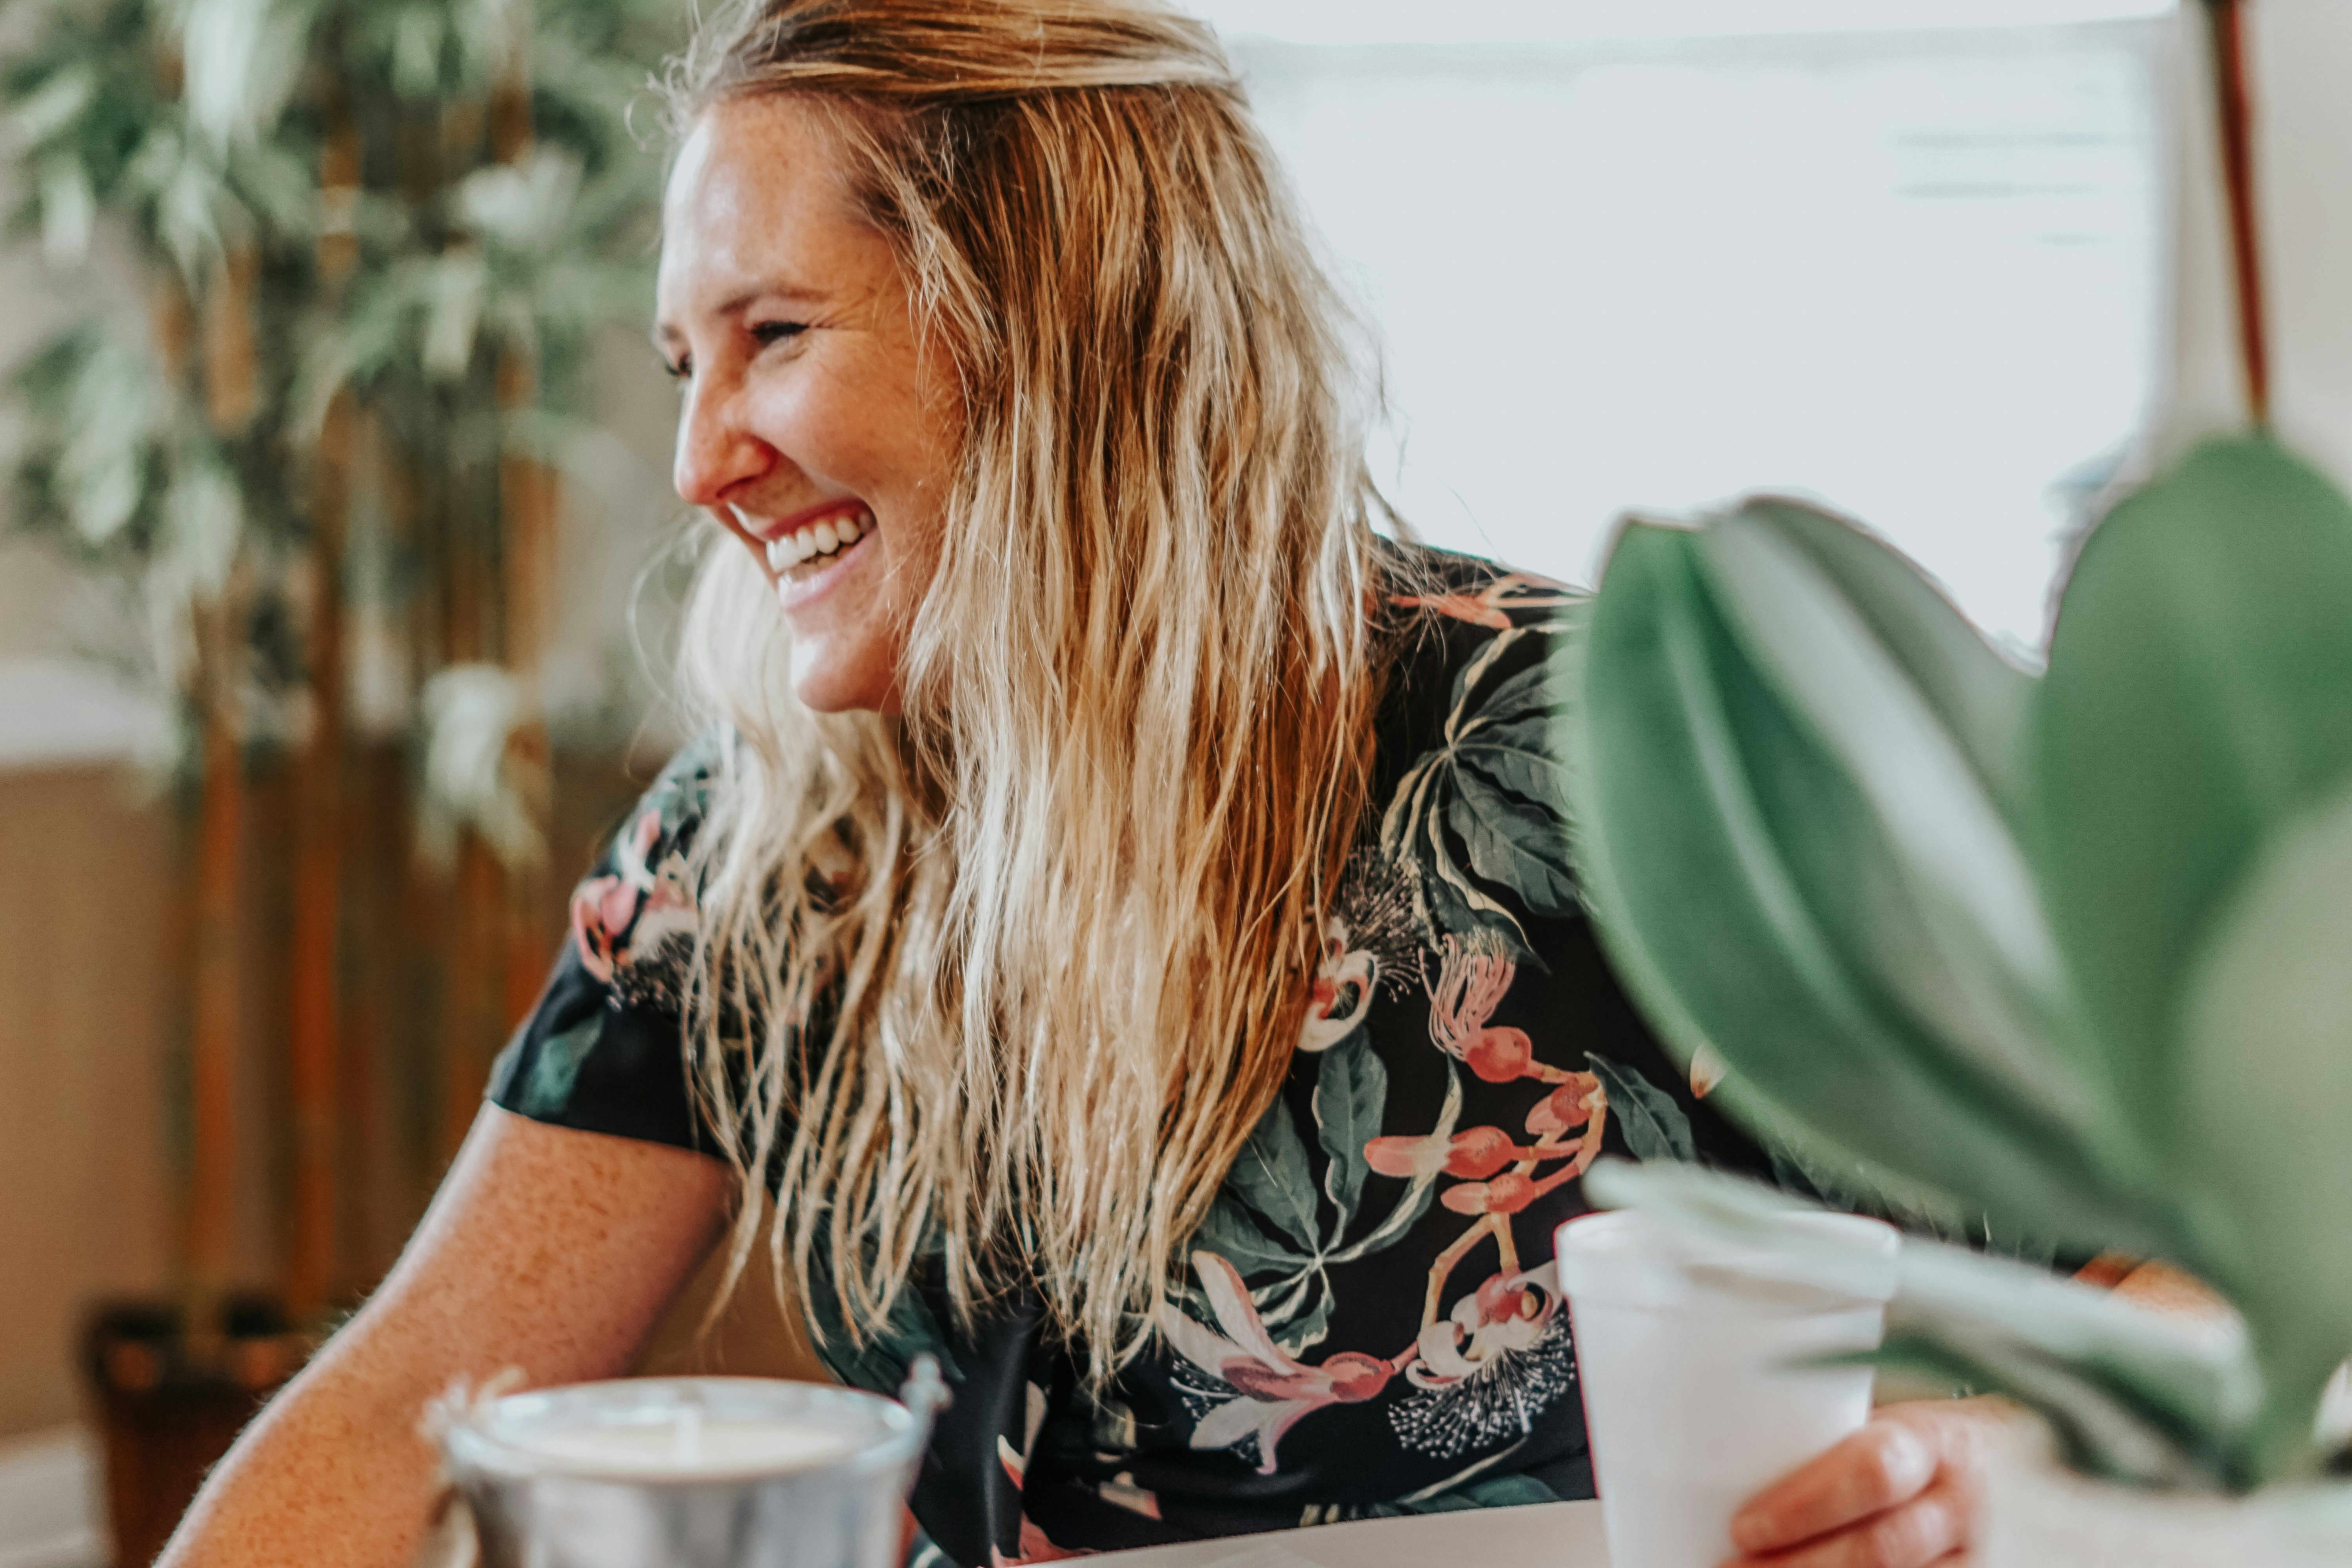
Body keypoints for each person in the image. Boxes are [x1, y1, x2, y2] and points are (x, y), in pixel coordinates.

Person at [160, 4, 1999, 1565]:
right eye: (680, 362)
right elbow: (418, 1396)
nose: (701, 459)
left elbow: (2209, 1286)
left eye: (773, 336)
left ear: (1057, 315)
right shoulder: (757, 855)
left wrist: (1977, 1478)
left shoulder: (1611, 752)